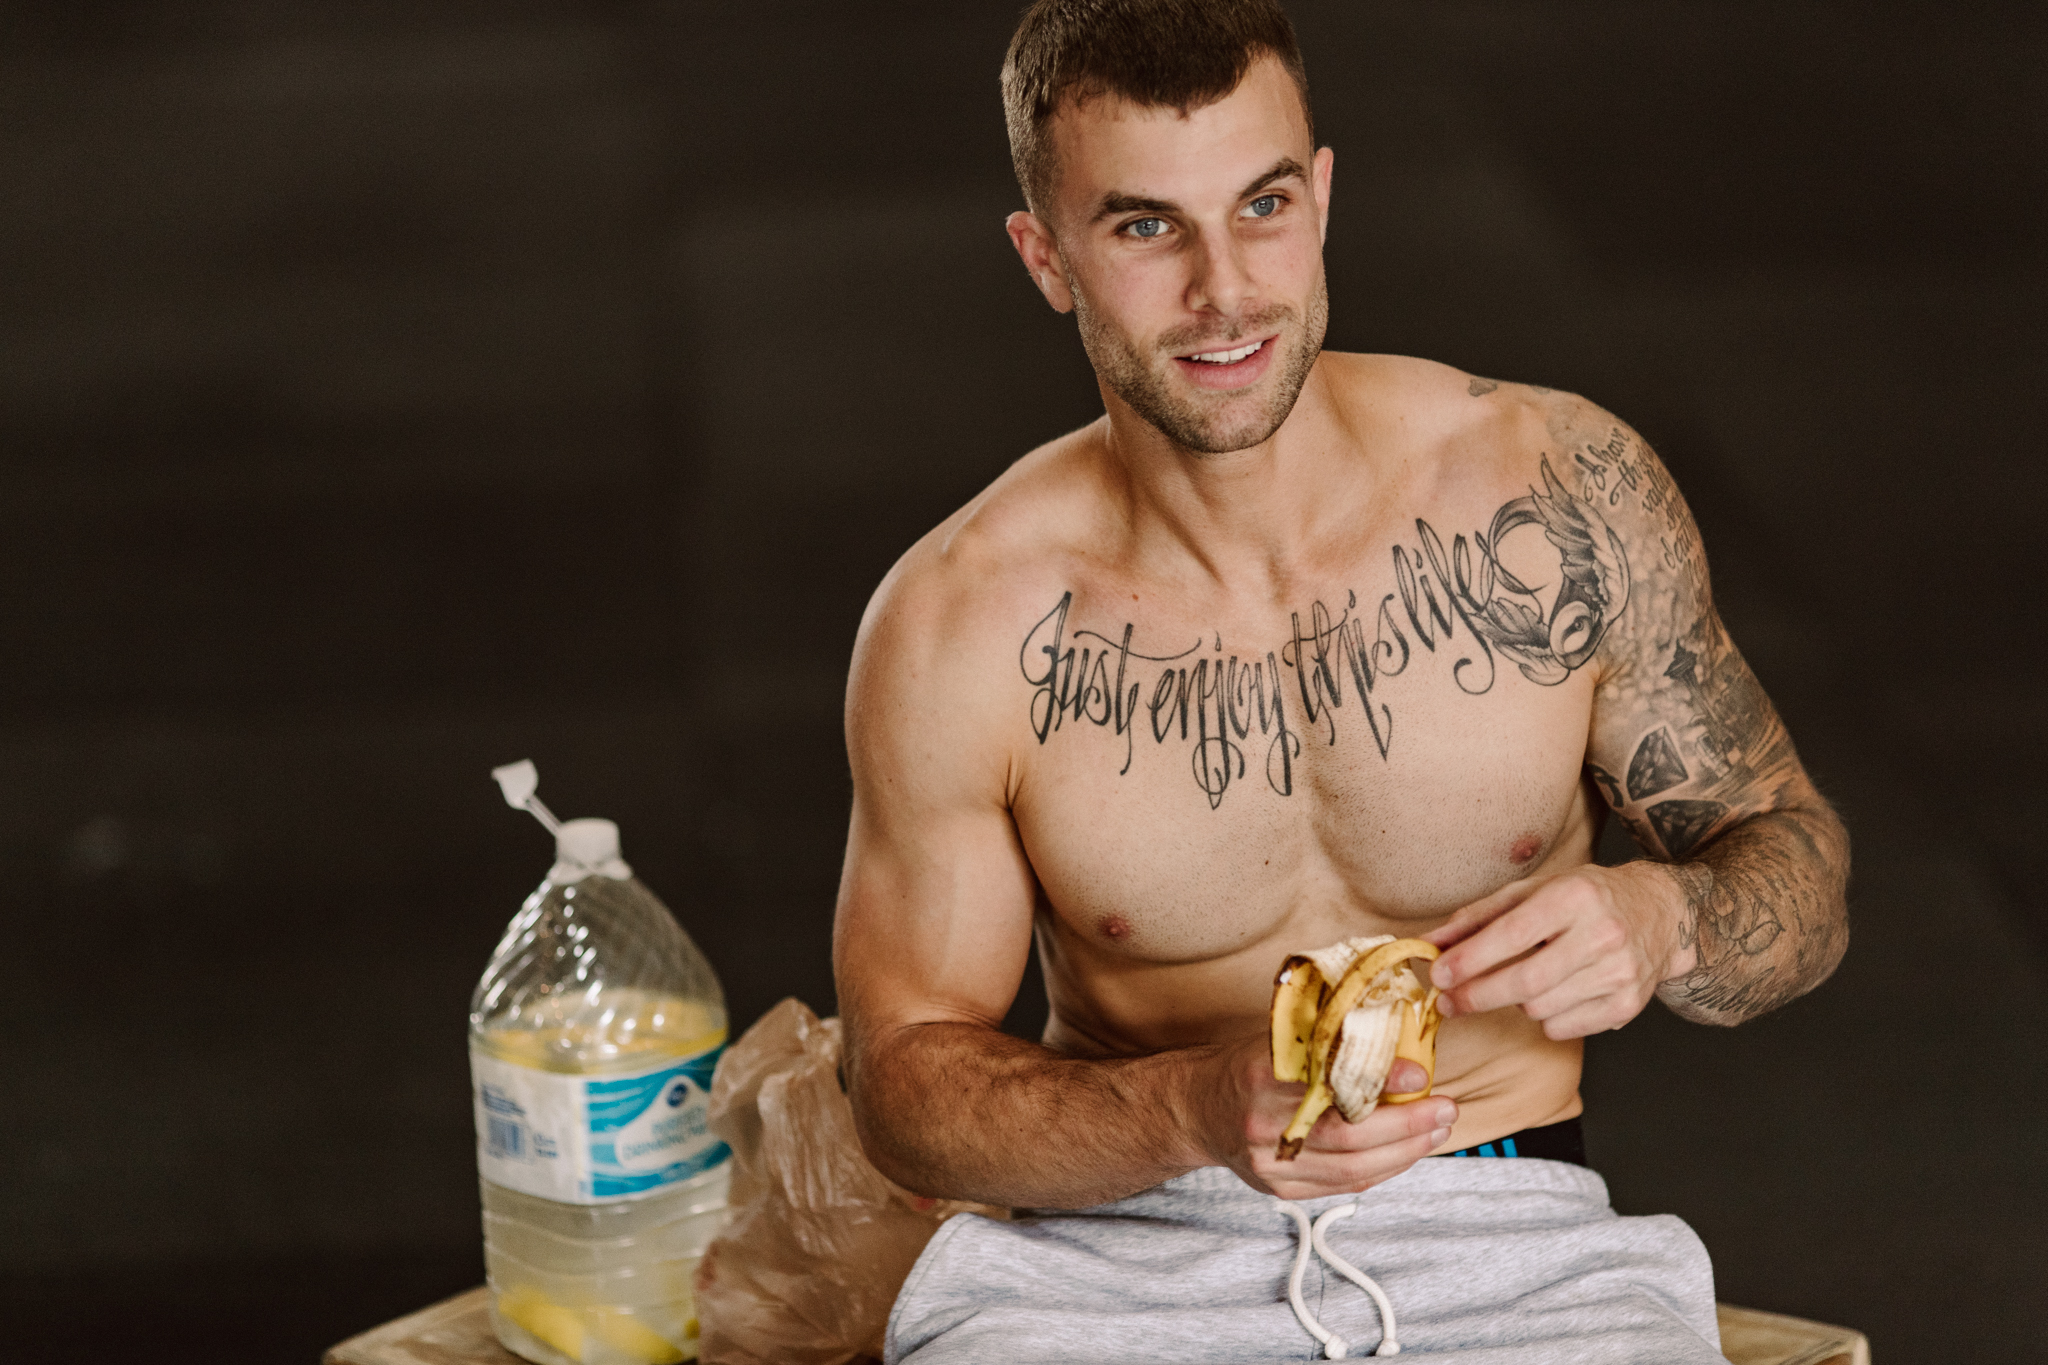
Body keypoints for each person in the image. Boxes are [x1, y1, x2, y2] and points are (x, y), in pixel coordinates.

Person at [832, 1, 1850, 1359]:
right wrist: (1192, 1107)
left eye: (1260, 205)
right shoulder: (960, 619)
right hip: (1115, 1263)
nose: (1223, 290)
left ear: (1321, 195)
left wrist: (1668, 920)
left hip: (1515, 1241)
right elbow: (898, 1076)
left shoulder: (1552, 485)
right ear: (1047, 256)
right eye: (1145, 226)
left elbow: (1801, 874)